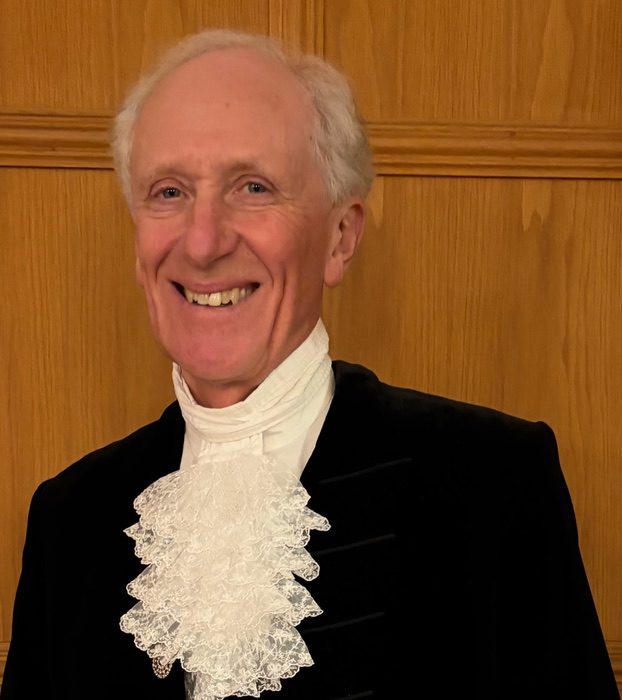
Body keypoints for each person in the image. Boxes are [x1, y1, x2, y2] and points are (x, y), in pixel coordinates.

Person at [2, 28, 618, 700]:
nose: (203, 243)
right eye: (169, 192)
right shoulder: (70, 521)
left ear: (340, 238)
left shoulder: (492, 484)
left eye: (253, 187)